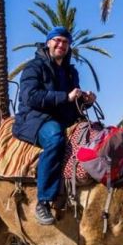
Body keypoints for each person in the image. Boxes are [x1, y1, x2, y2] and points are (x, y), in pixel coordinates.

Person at [12, 27, 96, 225]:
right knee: (56, 139)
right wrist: (65, 97)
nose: (61, 45)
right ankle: (43, 201)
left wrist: (86, 101)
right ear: (48, 42)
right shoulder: (34, 67)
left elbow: (72, 105)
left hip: (62, 118)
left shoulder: (70, 72)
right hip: (36, 118)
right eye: (57, 41)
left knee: (95, 136)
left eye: (65, 42)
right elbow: (30, 97)